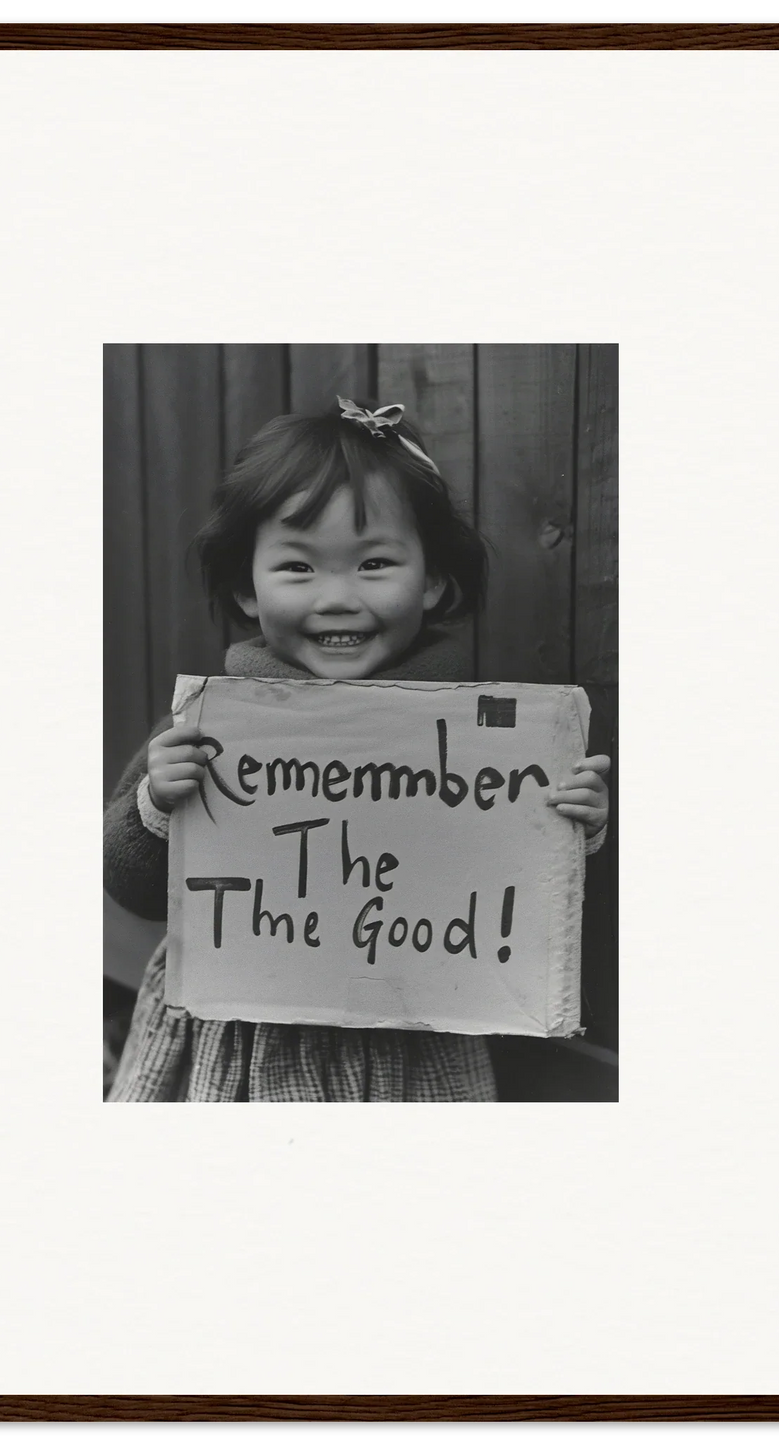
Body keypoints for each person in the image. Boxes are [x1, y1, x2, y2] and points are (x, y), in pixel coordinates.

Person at [104, 397, 610, 1101]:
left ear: (431, 579)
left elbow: (512, 883)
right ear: (247, 589)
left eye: (373, 563)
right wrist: (156, 803)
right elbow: (128, 885)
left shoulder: (480, 747)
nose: (337, 597)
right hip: (244, 1034)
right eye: (298, 568)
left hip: (413, 1036)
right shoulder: (205, 731)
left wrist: (569, 823)